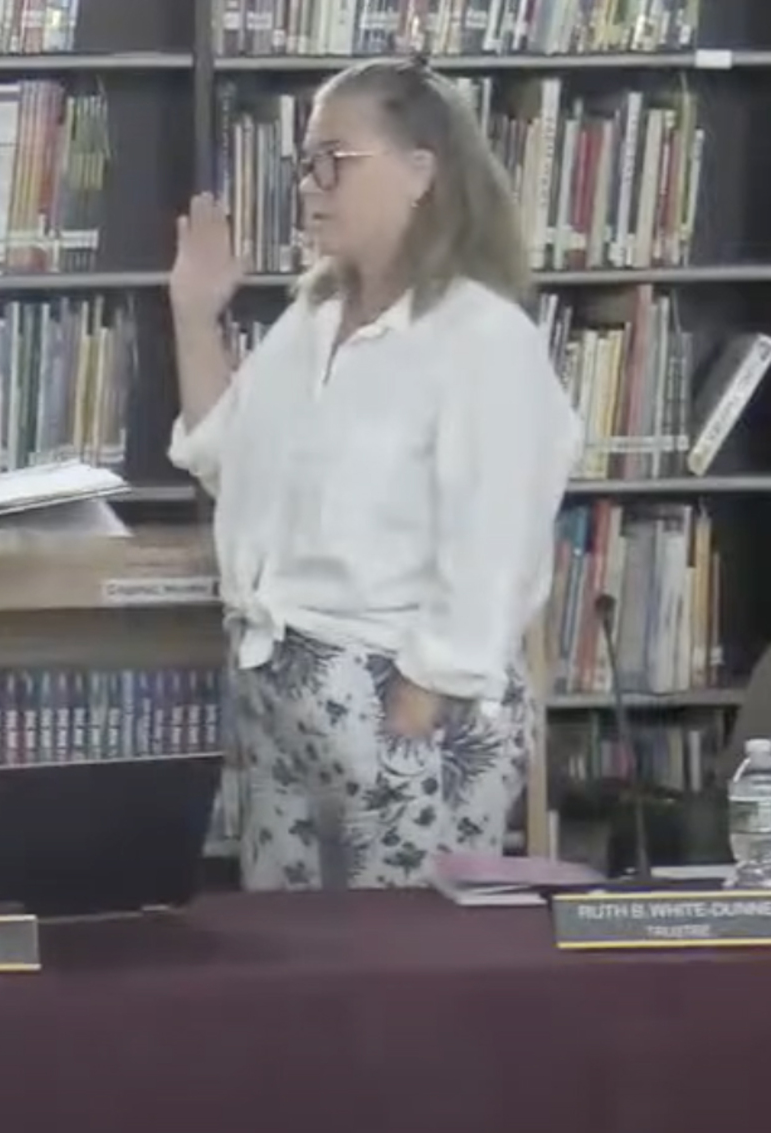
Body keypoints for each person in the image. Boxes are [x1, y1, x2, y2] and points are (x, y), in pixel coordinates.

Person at [168, 57, 581, 890]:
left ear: (421, 172)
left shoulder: (480, 337)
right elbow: (226, 459)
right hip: (282, 694)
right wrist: (193, 312)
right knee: (300, 973)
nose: (311, 185)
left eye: (334, 160)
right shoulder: (312, 319)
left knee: (404, 977)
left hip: (401, 700)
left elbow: (495, 537)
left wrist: (419, 704)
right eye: (304, 164)